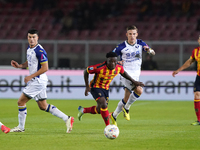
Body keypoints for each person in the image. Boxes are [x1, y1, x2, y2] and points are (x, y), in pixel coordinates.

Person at [10, 29, 74, 133]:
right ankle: (67, 118)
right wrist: (20, 65)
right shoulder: (30, 48)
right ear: (27, 38)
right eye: (30, 37)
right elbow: (30, 62)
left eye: (34, 37)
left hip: (37, 81)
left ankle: (20, 127)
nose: (31, 39)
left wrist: (30, 76)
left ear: (37, 38)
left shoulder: (39, 51)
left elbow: (45, 68)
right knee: (43, 106)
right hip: (37, 81)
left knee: (21, 101)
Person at [77, 52, 144, 126]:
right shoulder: (99, 67)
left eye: (114, 61)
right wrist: (87, 86)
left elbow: (124, 73)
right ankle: (108, 127)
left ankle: (83, 110)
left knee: (100, 110)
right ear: (107, 61)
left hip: (105, 89)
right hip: (95, 87)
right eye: (110, 61)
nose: (113, 63)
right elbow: (86, 71)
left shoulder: (118, 67)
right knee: (103, 104)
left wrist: (134, 82)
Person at [110, 25, 155, 126]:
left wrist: (149, 50)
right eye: (130, 34)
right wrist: (117, 63)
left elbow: (153, 52)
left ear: (137, 34)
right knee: (139, 90)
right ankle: (126, 108)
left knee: (126, 98)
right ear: (126, 35)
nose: (132, 36)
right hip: (125, 74)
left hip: (136, 73)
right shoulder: (121, 46)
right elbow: (110, 57)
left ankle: (114, 115)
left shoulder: (140, 43)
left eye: (134, 34)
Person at [172, 35, 200, 126]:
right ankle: (199, 120)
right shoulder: (195, 51)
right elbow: (190, 62)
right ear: (198, 40)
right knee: (197, 95)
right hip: (199, 77)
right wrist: (179, 70)